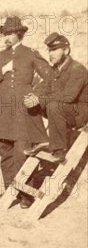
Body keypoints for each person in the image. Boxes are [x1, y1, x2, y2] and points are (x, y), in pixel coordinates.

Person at [0, 16, 51, 206]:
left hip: (23, 112)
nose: (5, 36)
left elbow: (50, 78)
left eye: (9, 33)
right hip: (3, 113)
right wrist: (2, 70)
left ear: (19, 34)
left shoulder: (31, 54)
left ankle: (26, 195)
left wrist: (36, 95)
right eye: (4, 33)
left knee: (23, 153)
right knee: (5, 153)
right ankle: (10, 190)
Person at [23, 33, 88, 162]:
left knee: (53, 105)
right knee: (29, 103)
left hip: (80, 113)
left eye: (54, 50)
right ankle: (39, 140)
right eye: (49, 50)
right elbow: (45, 86)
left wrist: (40, 100)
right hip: (63, 109)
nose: (50, 54)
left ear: (66, 50)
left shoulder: (78, 69)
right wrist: (33, 96)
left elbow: (68, 96)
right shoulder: (55, 69)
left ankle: (59, 151)